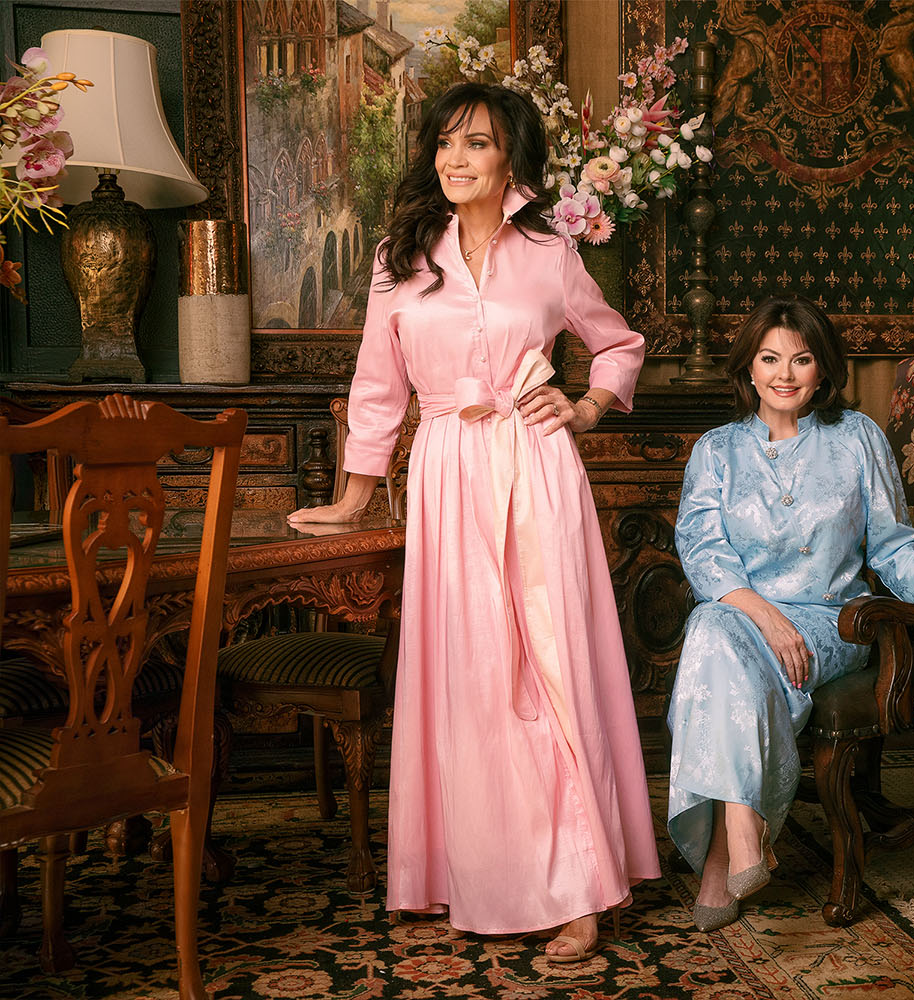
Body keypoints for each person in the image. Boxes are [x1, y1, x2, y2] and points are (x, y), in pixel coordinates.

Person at [287, 82, 659, 962]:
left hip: (537, 467)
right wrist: (353, 494)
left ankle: (580, 886)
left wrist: (587, 409)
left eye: (478, 144)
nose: (457, 159)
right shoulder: (400, 256)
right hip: (448, 469)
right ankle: (468, 869)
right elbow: (378, 387)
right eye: (447, 143)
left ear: (510, 159)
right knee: (473, 673)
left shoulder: (550, 251)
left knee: (552, 667)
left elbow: (618, 343)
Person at [666, 296, 914, 931]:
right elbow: (701, 549)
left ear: (822, 369)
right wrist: (767, 618)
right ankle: (739, 832)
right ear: (748, 368)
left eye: (800, 359)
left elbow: (889, 540)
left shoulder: (857, 437)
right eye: (770, 358)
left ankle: (728, 848)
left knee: (710, 638)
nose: (784, 373)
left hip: (833, 625)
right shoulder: (716, 450)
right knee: (714, 628)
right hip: (745, 617)